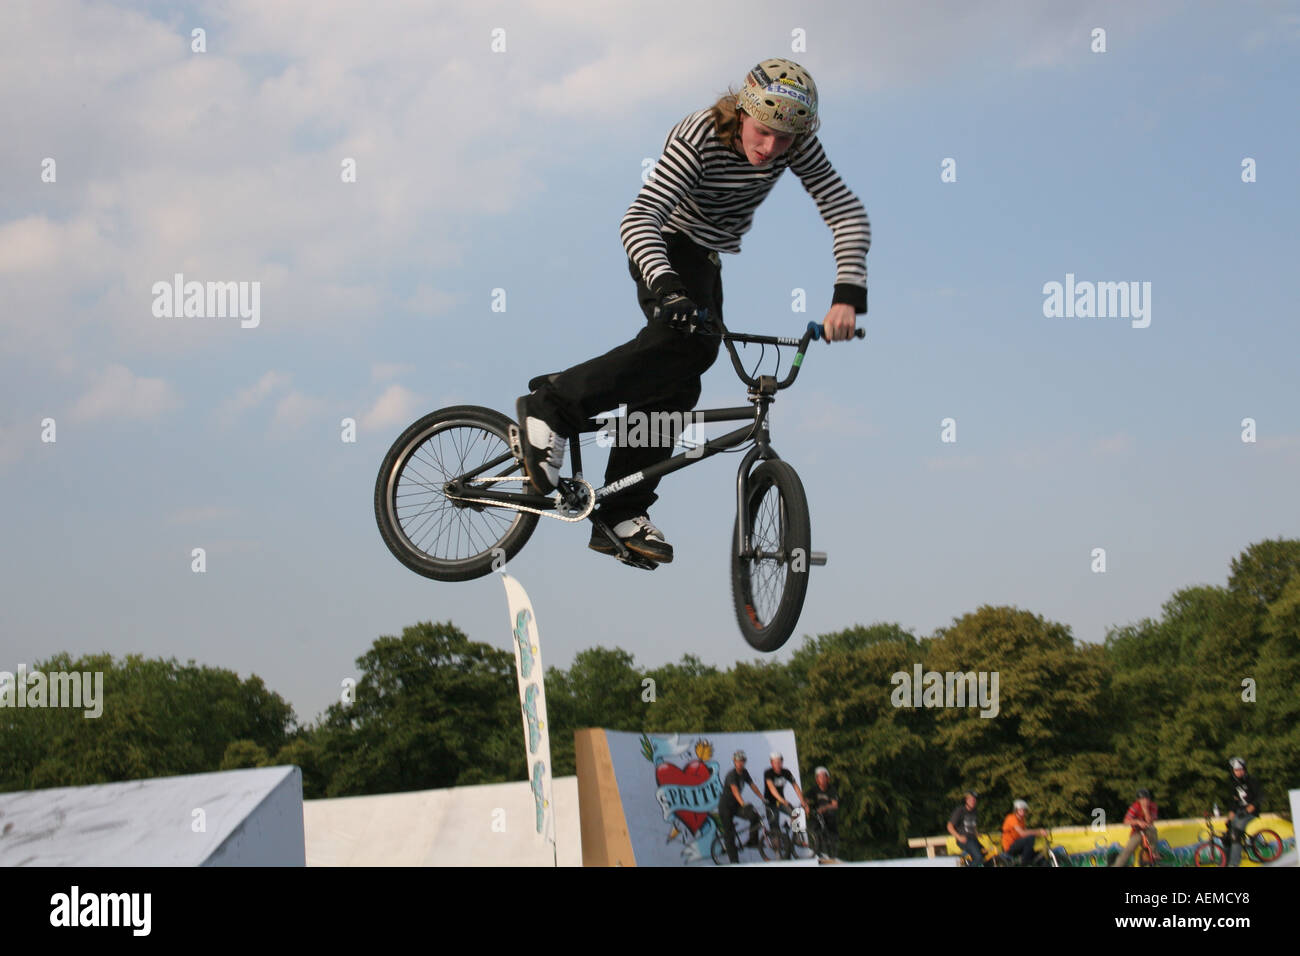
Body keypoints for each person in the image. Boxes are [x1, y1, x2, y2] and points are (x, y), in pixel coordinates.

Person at [516, 58, 870, 563]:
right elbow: (640, 218)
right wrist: (666, 287)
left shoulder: (797, 142)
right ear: (743, 111)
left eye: (784, 141)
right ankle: (554, 406)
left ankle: (618, 507)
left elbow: (845, 212)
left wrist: (847, 297)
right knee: (683, 346)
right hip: (666, 245)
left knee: (681, 384)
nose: (770, 150)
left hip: (705, 260)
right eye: (764, 132)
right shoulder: (699, 135)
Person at [717, 750, 767, 864]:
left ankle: (752, 841)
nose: (740, 763)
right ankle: (734, 862)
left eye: (742, 761)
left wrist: (762, 797)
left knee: (755, 816)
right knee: (729, 835)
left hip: (736, 805)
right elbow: (735, 791)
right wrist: (743, 803)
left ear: (744, 762)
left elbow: (752, 785)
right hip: (725, 807)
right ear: (734, 762)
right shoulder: (731, 775)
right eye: (737, 761)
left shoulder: (744, 772)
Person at [1225, 756, 1261, 867]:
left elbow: (1261, 796)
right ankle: (1226, 862)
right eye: (1236, 770)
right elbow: (1233, 802)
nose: (1239, 772)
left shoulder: (1251, 780)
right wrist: (1230, 814)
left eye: (1241, 769)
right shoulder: (1233, 784)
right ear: (1233, 771)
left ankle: (1234, 864)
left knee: (1236, 833)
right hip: (1239, 812)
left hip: (1251, 812)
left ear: (1244, 769)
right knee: (1228, 835)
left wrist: (1252, 806)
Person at [762, 752, 807, 839]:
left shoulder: (786, 772)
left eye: (779, 762)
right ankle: (776, 848)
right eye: (775, 763)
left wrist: (803, 801)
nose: (778, 765)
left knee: (795, 813)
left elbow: (795, 786)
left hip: (781, 801)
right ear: (771, 763)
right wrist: (782, 800)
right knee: (775, 826)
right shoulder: (768, 773)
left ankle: (796, 838)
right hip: (770, 802)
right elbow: (772, 789)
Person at [1110, 789, 1159, 867]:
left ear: (1149, 799)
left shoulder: (1153, 806)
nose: (1145, 801)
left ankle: (1154, 852)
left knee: (1152, 829)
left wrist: (1145, 810)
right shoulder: (1135, 806)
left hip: (1149, 832)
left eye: (1146, 799)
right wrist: (1137, 822)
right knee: (1127, 851)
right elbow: (1126, 821)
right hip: (1137, 832)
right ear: (1138, 800)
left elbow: (1150, 821)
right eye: (1142, 800)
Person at [803, 766, 840, 858]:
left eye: (824, 777)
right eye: (820, 777)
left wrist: (825, 807)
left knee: (831, 825)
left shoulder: (832, 789)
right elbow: (805, 800)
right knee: (815, 829)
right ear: (817, 779)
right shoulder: (813, 790)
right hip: (817, 814)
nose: (822, 779)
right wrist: (806, 806)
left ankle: (832, 851)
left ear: (828, 778)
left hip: (828, 813)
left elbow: (835, 805)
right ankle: (817, 852)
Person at [1000, 799, 1047, 866]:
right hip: (1010, 847)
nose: (1023, 812)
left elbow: (1026, 832)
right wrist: (1038, 831)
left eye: (1024, 810)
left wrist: (1039, 834)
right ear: (1016, 810)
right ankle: (1024, 863)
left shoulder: (1022, 820)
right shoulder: (1011, 818)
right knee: (1030, 838)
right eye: (1020, 810)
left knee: (1039, 855)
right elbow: (1023, 833)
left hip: (1018, 845)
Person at [947, 791, 983, 866]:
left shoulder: (974, 811)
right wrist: (959, 837)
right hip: (964, 840)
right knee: (978, 857)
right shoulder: (960, 811)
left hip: (973, 839)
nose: (973, 801)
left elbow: (972, 825)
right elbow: (949, 826)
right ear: (966, 800)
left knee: (985, 855)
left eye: (974, 800)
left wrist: (977, 833)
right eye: (971, 800)